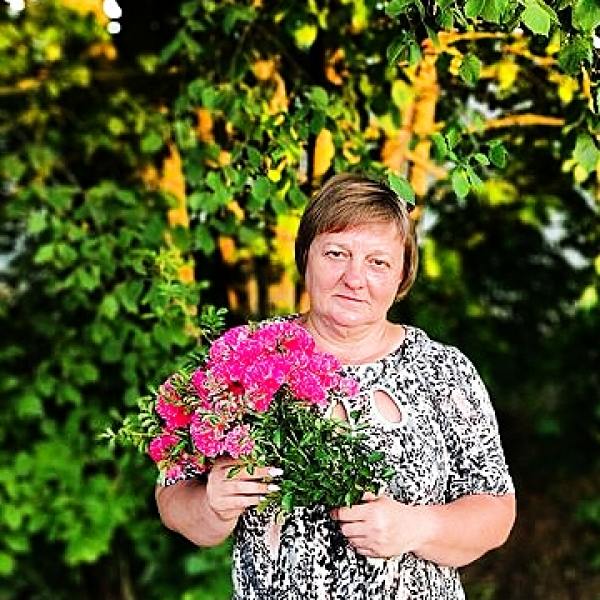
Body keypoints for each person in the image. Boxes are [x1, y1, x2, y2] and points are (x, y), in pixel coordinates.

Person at [155, 172, 516, 599]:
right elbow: (173, 497)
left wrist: (417, 526)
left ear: (402, 275)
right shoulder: (249, 357)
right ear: (305, 256)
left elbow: (496, 511)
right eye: (336, 253)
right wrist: (212, 504)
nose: (354, 278)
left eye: (377, 262)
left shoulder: (442, 371)